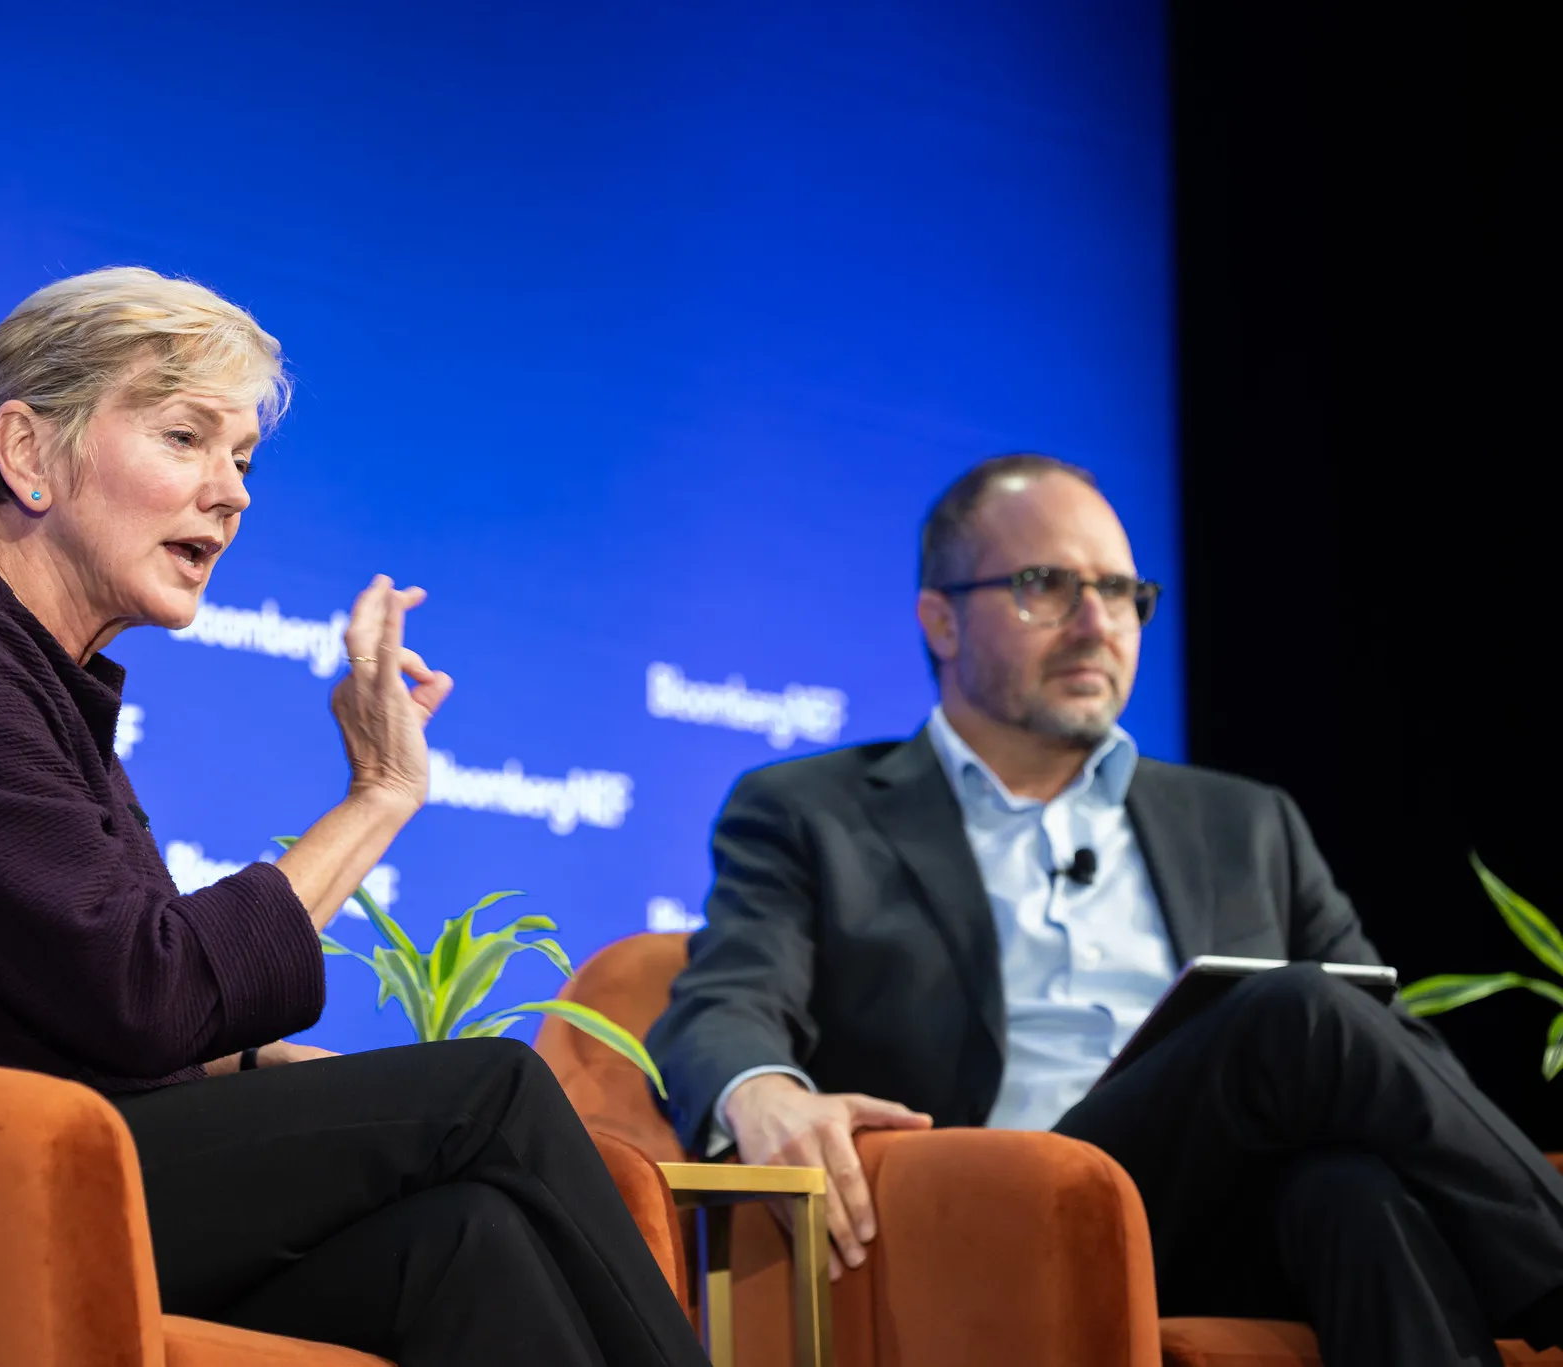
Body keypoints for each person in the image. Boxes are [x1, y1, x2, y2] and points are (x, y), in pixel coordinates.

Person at [0, 267, 706, 1367]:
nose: (233, 492)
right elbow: (149, 993)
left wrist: (256, 1072)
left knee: (464, 1243)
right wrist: (378, 797)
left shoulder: (35, 676)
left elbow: (85, 994)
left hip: (1, 1147)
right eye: (185, 438)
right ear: (27, 454)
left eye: (243, 459)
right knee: (489, 1088)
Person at [646, 453, 1563, 1367]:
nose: (1097, 623)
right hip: (993, 1218)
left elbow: (1399, 1054)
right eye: (1046, 585)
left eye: (1121, 591)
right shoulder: (812, 809)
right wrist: (759, 1090)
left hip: (1220, 1228)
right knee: (1299, 1009)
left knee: (1354, 1194)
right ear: (941, 619)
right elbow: (725, 999)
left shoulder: (1245, 821)